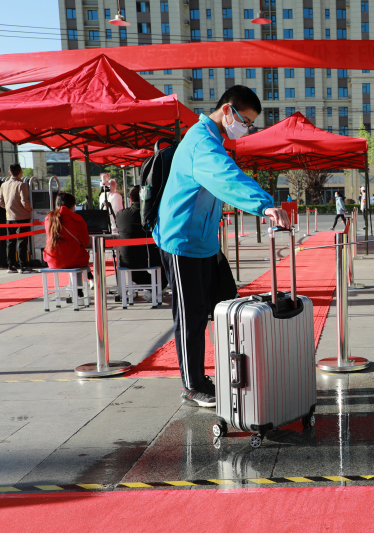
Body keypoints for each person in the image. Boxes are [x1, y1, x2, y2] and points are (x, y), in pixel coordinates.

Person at [155, 85, 290, 409]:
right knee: (191, 315)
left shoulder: (212, 140)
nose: (246, 129)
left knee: (220, 303)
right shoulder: (201, 141)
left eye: (251, 124)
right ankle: (192, 385)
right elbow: (226, 177)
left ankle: (224, 374)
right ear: (227, 110)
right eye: (245, 121)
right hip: (181, 241)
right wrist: (264, 204)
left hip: (203, 241)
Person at [115, 185, 165, 294]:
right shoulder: (155, 214)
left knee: (135, 273)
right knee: (166, 266)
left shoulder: (121, 215)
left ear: (130, 200)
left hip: (129, 260)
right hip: (152, 258)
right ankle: (157, 287)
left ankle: (154, 288)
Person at [42, 192, 94, 288]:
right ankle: (80, 289)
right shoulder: (77, 219)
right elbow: (85, 242)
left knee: (75, 255)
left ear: (56, 204)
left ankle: (78, 290)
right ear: (73, 206)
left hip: (53, 260)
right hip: (74, 260)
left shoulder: (48, 218)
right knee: (78, 255)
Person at [0, 163, 34, 274]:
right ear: (20, 172)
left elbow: (0, 201)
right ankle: (23, 266)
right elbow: (24, 201)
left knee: (10, 242)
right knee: (22, 242)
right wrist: (29, 210)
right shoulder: (22, 185)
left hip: (9, 217)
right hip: (22, 217)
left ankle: (11, 266)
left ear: (10, 172)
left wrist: (8, 208)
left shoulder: (4, 185)